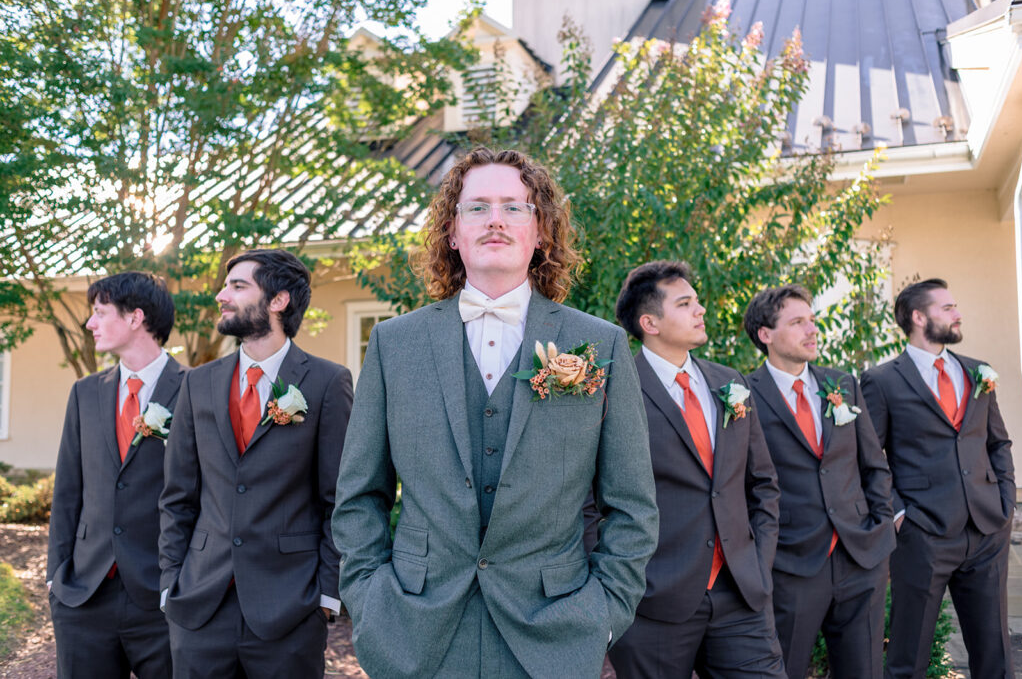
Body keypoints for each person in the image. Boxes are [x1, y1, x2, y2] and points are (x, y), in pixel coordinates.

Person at [331, 147, 659, 678]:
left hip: (552, 633)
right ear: (453, 232)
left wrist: (601, 615)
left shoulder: (599, 344)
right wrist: (370, 602)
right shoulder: (395, 344)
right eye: (477, 207)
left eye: (515, 206)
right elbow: (358, 495)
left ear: (540, 232)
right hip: (416, 634)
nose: (496, 221)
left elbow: (632, 506)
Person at [159, 249, 353, 678]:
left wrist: (325, 595)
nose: (220, 295)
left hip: (291, 608)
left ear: (279, 300)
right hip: (199, 606)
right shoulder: (198, 383)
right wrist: (170, 581)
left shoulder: (326, 382)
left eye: (237, 286)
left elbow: (338, 500)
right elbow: (178, 495)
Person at [607, 260, 785, 678]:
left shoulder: (729, 382)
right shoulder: (616, 389)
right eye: (685, 303)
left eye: (697, 301)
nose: (700, 310)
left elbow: (763, 484)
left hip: (741, 594)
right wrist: (620, 590)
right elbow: (590, 503)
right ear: (649, 322)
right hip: (652, 601)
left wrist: (759, 564)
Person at [861, 278, 1015, 678]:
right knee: (908, 660)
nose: (957, 314)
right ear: (918, 317)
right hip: (922, 535)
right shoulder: (882, 381)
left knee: (994, 658)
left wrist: (1004, 503)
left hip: (986, 531)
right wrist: (897, 515)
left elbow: (998, 444)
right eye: (947, 308)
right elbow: (867, 457)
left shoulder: (978, 373)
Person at [743, 284, 895, 679]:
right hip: (790, 564)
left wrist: (881, 525)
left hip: (860, 556)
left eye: (812, 321)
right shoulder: (743, 397)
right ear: (765, 334)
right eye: (797, 322)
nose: (812, 330)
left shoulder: (842, 384)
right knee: (782, 670)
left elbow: (872, 462)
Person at [48, 271, 185, 678]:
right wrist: (58, 579)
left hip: (163, 598)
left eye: (100, 312)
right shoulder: (85, 392)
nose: (90, 323)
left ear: (135, 318)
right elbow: (67, 492)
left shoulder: (196, 389)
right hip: (84, 596)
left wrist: (187, 586)